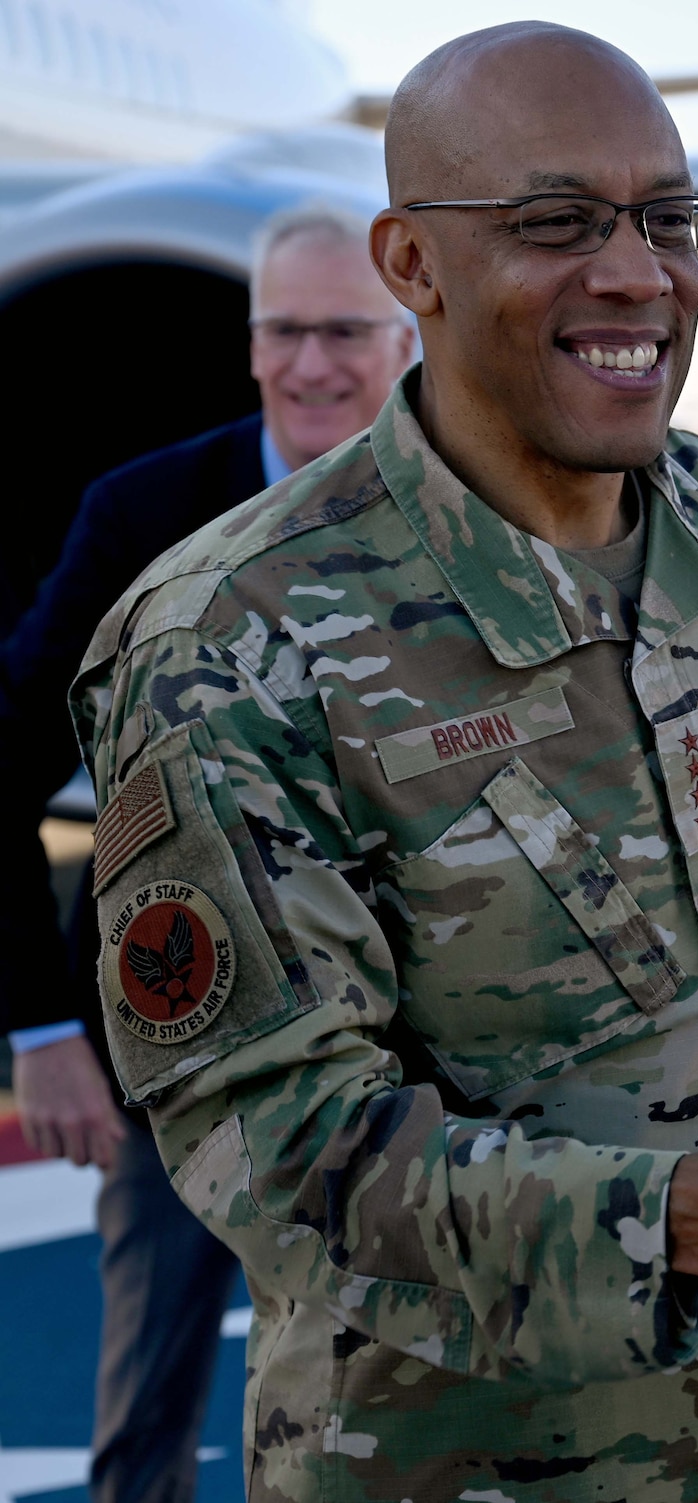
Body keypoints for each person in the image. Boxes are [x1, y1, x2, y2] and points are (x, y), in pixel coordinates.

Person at [70, 22, 698, 1503]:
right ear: (411, 265)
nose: (639, 273)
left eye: (667, 218)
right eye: (555, 224)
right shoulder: (233, 640)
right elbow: (288, 1155)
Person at [2, 200, 412, 1503]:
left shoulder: (489, 509)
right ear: (246, 345)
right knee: (146, 1428)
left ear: (411, 339)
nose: (311, 366)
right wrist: (36, 1029)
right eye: (284, 331)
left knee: (406, 1417)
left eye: (344, 330)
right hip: (175, 1051)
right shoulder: (142, 515)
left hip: (419, 1067)